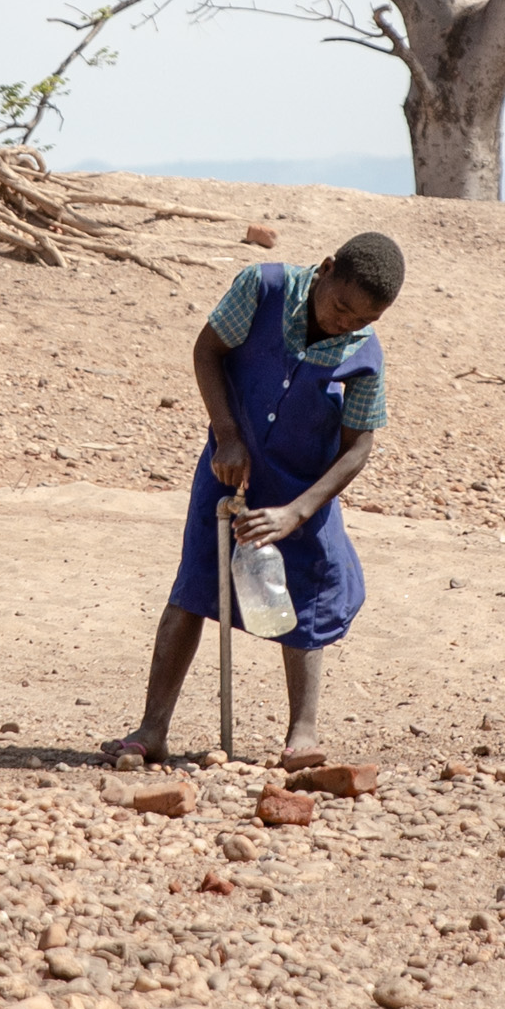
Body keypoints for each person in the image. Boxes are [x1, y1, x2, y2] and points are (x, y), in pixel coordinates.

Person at [101, 229, 400, 771]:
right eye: (341, 307)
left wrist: (298, 511)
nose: (346, 323)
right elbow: (208, 350)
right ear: (326, 268)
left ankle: (301, 736)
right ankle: (152, 729)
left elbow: (358, 449)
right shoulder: (262, 289)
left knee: (308, 597)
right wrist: (226, 432)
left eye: (364, 320)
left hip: (303, 491)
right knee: (194, 586)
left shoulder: (365, 357)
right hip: (227, 469)